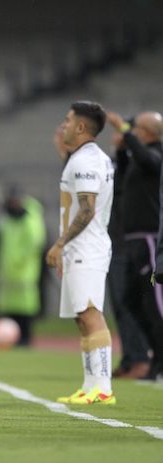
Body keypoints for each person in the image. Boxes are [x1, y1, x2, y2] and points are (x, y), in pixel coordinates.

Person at [46, 101, 115, 405]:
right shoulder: (85, 158)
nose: (64, 124)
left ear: (82, 127)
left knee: (90, 313)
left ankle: (103, 387)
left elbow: (86, 210)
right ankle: (90, 385)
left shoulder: (86, 161)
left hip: (86, 247)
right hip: (81, 248)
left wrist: (60, 243)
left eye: (68, 120)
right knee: (82, 317)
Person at [108, 110, 163, 380]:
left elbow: (146, 159)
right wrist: (120, 150)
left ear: (149, 132)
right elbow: (120, 182)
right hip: (131, 241)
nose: (132, 131)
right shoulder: (137, 159)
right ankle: (153, 357)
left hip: (149, 239)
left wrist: (126, 133)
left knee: (155, 304)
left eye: (137, 128)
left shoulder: (156, 154)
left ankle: (157, 362)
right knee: (131, 300)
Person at [0, 188, 46, 346]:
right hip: (7, 273)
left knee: (26, 308)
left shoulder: (31, 220)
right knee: (9, 309)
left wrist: (20, 259)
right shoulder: (7, 220)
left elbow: (35, 243)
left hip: (25, 272)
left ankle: (25, 339)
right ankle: (11, 339)